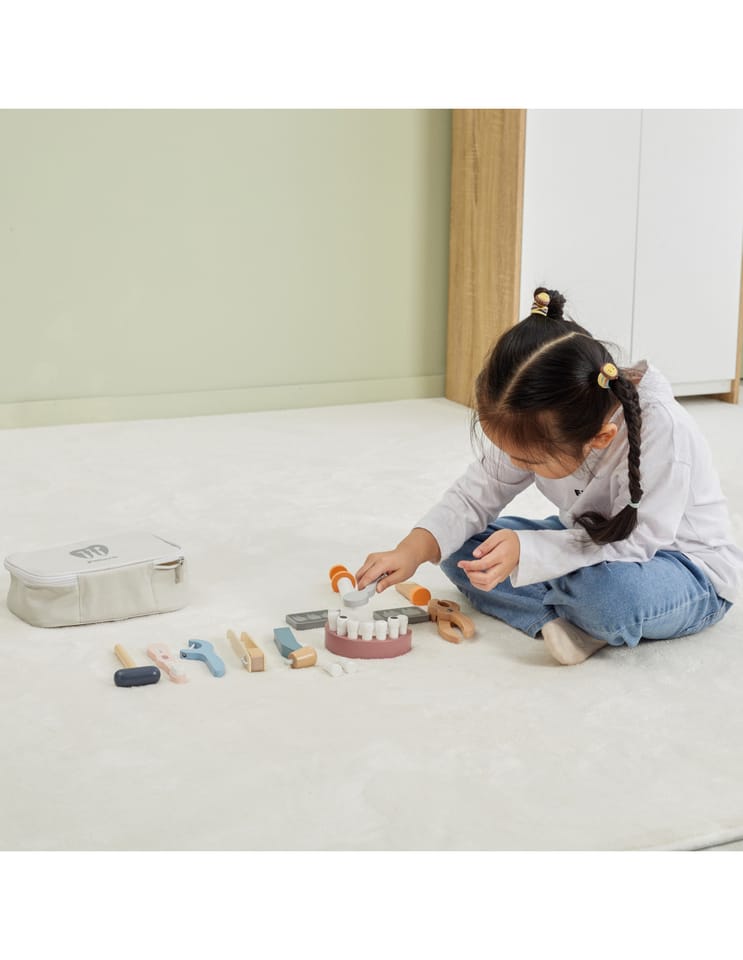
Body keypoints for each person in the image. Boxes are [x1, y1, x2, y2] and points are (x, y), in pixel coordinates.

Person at [355, 287, 743, 665]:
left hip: (680, 567)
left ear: (600, 438)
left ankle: (582, 612)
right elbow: (475, 495)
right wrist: (412, 549)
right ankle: (567, 622)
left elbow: (638, 542)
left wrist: (530, 553)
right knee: (463, 550)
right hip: (587, 541)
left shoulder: (665, 432)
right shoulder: (538, 418)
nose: (515, 464)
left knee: (608, 598)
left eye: (528, 460)